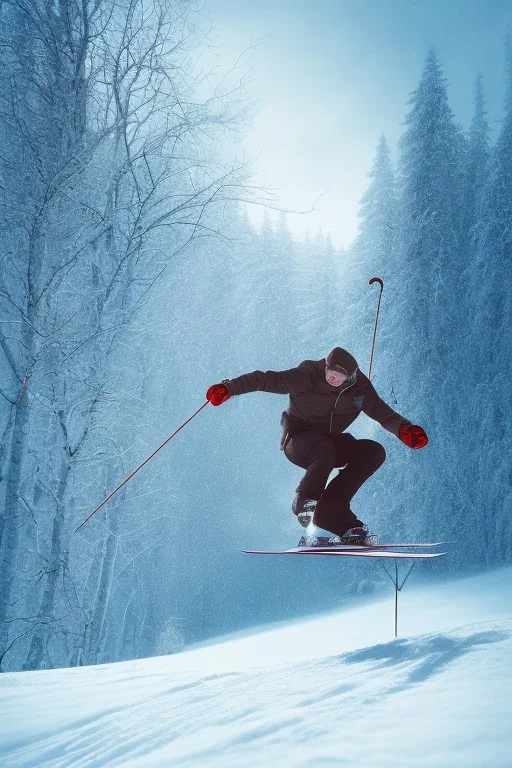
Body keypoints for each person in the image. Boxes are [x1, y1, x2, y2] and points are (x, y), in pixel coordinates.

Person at [206, 347, 428, 545]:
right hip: (298, 442)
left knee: (372, 451)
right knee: (324, 449)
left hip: (328, 444)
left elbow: (382, 412)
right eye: (330, 373)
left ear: (350, 376)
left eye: (339, 376)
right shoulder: (307, 376)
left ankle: (332, 513)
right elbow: (265, 380)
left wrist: (404, 430)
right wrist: (229, 388)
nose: (333, 378)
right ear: (325, 367)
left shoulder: (359, 389)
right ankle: (304, 501)